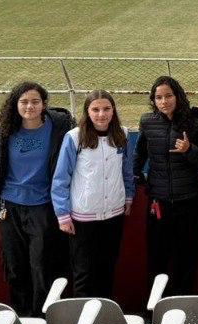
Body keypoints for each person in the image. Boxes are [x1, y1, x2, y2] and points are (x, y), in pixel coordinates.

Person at [0, 82, 75, 316]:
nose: (30, 106)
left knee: (41, 265)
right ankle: (22, 314)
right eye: (24, 102)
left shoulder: (59, 126)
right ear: (15, 104)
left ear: (44, 104)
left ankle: (41, 315)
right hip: (9, 207)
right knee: (15, 265)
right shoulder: (4, 129)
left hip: (43, 207)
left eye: (35, 101)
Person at [51, 90, 136, 299]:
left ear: (113, 110)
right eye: (95, 109)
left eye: (106, 109)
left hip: (114, 214)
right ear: (87, 112)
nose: (101, 114)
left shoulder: (122, 134)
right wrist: (63, 215)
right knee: (84, 272)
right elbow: (61, 178)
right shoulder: (74, 137)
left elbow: (127, 169)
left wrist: (128, 196)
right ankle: (82, 321)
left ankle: (103, 318)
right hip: (83, 217)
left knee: (107, 269)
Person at [135, 76, 198, 296]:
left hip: (190, 202)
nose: (164, 101)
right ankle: (155, 309)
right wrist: (140, 179)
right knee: (157, 258)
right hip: (158, 203)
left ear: (177, 96)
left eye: (168, 96)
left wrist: (189, 150)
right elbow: (138, 156)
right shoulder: (147, 122)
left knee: (186, 258)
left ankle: (182, 306)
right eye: (158, 97)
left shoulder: (195, 124)